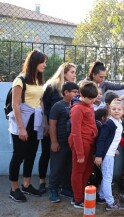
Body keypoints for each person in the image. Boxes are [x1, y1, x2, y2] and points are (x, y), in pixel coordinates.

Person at [8, 50, 48, 202]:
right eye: (42, 62)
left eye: (45, 62)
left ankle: (26, 185)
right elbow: (15, 105)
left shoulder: (38, 80)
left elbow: (40, 102)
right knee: (19, 155)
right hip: (22, 121)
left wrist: (43, 122)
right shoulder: (20, 80)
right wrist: (21, 128)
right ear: (34, 62)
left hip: (35, 121)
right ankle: (14, 189)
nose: (44, 65)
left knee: (31, 154)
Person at [94, 99, 124, 210]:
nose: (116, 111)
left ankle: (101, 196)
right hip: (106, 156)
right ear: (109, 110)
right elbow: (101, 140)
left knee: (106, 177)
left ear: (123, 111)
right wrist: (98, 155)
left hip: (110, 154)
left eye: (119, 109)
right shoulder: (109, 123)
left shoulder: (119, 121)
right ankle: (111, 203)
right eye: (113, 109)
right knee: (107, 178)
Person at [40, 62, 77, 194]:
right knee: (50, 157)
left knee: (66, 163)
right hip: (52, 128)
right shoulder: (52, 86)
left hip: (67, 134)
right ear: (64, 72)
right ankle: (46, 185)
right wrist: (47, 126)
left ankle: (64, 187)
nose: (74, 75)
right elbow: (45, 106)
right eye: (72, 72)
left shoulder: (73, 98)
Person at [68, 80, 99, 208]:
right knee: (78, 171)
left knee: (87, 171)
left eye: (94, 98)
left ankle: (80, 195)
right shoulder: (77, 109)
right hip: (81, 144)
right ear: (82, 95)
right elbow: (75, 132)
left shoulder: (89, 106)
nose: (92, 101)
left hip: (90, 143)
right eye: (90, 98)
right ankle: (78, 199)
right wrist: (80, 153)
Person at [48, 81, 79, 203]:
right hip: (60, 142)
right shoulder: (58, 106)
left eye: (77, 92)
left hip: (71, 143)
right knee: (56, 167)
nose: (77, 94)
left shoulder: (76, 105)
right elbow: (52, 124)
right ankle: (53, 191)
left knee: (69, 167)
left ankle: (66, 189)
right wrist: (54, 142)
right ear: (66, 92)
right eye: (74, 92)